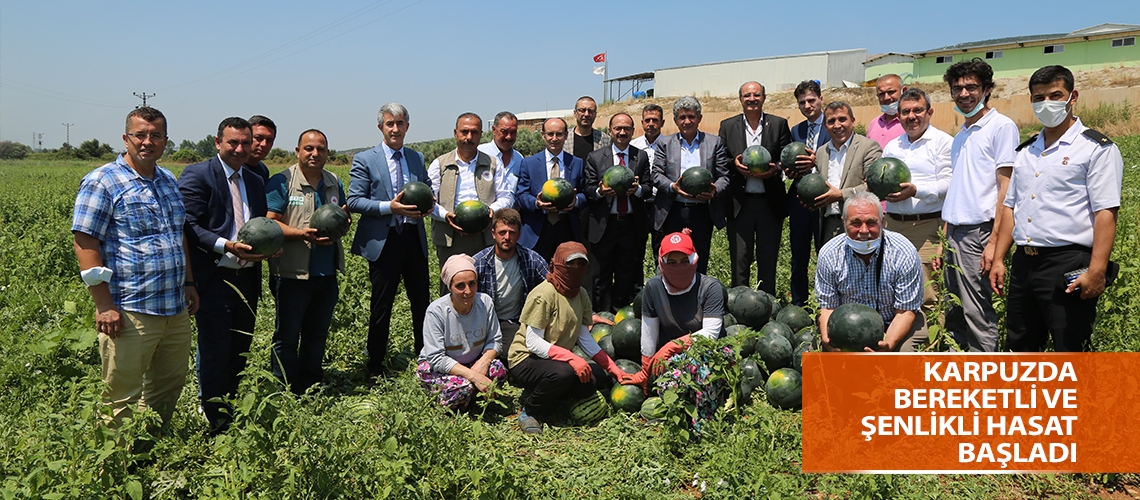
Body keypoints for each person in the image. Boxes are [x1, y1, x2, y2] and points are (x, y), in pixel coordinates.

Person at [71, 107, 198, 427]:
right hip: (129, 309)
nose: (147, 142)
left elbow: (178, 234)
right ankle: (114, 468)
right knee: (120, 394)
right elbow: (86, 243)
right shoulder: (103, 181)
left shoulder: (168, 179)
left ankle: (148, 454)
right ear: (126, 138)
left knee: (168, 387)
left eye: (155, 135)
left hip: (173, 306)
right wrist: (103, 305)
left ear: (165, 141)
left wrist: (189, 283)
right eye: (140, 135)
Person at [989, 65, 1123, 352]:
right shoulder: (1026, 152)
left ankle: (1080, 399)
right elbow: (1011, 208)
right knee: (1021, 346)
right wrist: (1000, 258)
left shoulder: (1095, 149)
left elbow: (1105, 213)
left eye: (1055, 95)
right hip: (1025, 264)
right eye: (1039, 97)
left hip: (1068, 263)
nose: (1046, 103)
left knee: (1070, 347)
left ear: (1072, 96)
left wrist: (1097, 270)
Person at [179, 116, 270, 432]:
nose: (240, 148)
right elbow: (188, 225)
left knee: (240, 348)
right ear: (218, 142)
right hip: (214, 276)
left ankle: (229, 405)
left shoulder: (256, 180)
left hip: (246, 278)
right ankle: (215, 417)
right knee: (215, 348)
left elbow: (257, 226)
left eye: (246, 142)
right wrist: (225, 245)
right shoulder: (198, 175)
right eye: (233, 142)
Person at [507, 242, 630, 434]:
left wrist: (613, 368)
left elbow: (584, 337)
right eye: (570, 264)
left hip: (555, 359)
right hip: (526, 359)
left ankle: (551, 396)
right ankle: (530, 411)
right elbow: (533, 342)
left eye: (581, 264)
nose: (576, 269)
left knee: (595, 377)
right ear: (555, 265)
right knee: (563, 373)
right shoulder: (544, 294)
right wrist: (573, 358)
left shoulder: (580, 294)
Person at [347, 103, 432, 377]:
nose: (395, 129)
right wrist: (389, 207)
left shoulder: (417, 158)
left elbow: (426, 191)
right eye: (389, 124)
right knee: (382, 305)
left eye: (400, 123)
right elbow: (354, 201)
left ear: (407, 126)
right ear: (381, 127)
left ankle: (426, 357)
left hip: (412, 238)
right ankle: (374, 365)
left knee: (421, 302)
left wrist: (428, 205)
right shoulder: (365, 159)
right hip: (385, 242)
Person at [940, 58, 1019, 352]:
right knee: (955, 309)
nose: (963, 94)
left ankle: (984, 377)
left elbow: (1006, 190)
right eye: (957, 88)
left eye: (971, 87)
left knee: (977, 310)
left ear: (986, 89)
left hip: (979, 233)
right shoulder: (961, 135)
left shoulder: (1001, 127)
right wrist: (943, 238)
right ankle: (958, 373)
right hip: (954, 233)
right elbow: (958, 190)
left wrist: (995, 242)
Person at [265, 129, 347, 394]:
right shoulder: (283, 181)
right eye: (309, 148)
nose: (315, 154)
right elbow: (270, 223)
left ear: (327, 152)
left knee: (317, 333)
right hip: (291, 273)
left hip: (326, 274)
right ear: (298, 151)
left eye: (321, 149)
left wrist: (342, 224)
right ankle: (285, 388)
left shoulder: (334, 181)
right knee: (287, 337)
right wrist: (302, 234)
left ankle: (311, 383)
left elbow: (340, 217)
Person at [625, 230, 727, 432]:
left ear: (694, 259)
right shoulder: (653, 287)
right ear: (661, 262)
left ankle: (702, 425)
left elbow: (711, 333)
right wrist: (645, 371)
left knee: (695, 374)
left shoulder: (710, 288)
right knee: (669, 381)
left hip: (708, 352)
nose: (679, 267)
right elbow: (649, 332)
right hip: (671, 357)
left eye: (684, 260)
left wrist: (672, 346)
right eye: (672, 262)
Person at [816, 192, 925, 352]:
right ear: (844, 222)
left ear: (882, 221)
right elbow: (827, 307)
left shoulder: (903, 252)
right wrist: (828, 340)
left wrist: (888, 344)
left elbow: (905, 311)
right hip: (848, 327)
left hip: (893, 320)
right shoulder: (830, 254)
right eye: (856, 223)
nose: (864, 230)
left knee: (904, 358)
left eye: (871, 223)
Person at [881, 88, 952, 322]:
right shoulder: (892, 146)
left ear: (929, 112)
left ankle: (930, 351)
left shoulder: (943, 142)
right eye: (905, 112)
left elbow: (949, 184)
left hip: (927, 228)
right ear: (898, 116)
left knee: (928, 293)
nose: (911, 116)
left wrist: (916, 191)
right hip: (892, 226)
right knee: (893, 289)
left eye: (917, 110)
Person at [718, 81, 791, 292]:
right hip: (740, 203)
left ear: (764, 98)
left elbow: (785, 158)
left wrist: (775, 169)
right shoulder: (727, 125)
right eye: (747, 95)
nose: (752, 99)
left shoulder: (778, 124)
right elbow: (722, 159)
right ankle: (740, 303)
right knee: (740, 259)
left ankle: (767, 304)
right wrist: (736, 165)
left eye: (756, 95)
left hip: (769, 202)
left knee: (768, 258)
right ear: (740, 99)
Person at [428, 112, 511, 285]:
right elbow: (430, 202)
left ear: (481, 134)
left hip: (485, 235)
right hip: (450, 236)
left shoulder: (493, 163)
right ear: (455, 133)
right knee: (453, 286)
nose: (469, 137)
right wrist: (446, 216)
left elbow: (506, 196)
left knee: (485, 284)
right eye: (464, 132)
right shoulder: (439, 164)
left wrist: (491, 211)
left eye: (474, 132)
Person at [650, 96, 730, 273]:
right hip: (673, 210)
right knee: (671, 258)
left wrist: (714, 190)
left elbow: (724, 176)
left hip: (702, 211)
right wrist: (673, 187)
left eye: (691, 117)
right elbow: (656, 174)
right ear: (675, 120)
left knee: (698, 258)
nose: (687, 121)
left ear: (699, 118)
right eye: (682, 117)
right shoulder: (665, 143)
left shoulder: (714, 142)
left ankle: (698, 297)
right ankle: (670, 296)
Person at [418, 254, 506, 411]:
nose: (468, 291)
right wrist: (473, 376)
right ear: (450, 287)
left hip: (474, 361)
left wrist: (484, 361)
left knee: (498, 370)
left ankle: (469, 394)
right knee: (461, 388)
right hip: (442, 368)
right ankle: (466, 395)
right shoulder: (436, 311)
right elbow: (436, 358)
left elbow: (495, 340)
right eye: (460, 286)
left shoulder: (485, 303)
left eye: (472, 283)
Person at [584, 112, 652, 312]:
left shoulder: (640, 156)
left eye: (626, 129)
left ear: (632, 131)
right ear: (610, 131)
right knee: (601, 275)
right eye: (618, 128)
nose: (622, 132)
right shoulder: (595, 158)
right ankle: (602, 315)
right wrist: (600, 191)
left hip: (630, 224)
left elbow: (648, 187)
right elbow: (587, 189)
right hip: (604, 225)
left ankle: (621, 315)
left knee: (626, 274)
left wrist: (637, 190)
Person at [472, 208, 550, 362]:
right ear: (493, 233)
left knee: (515, 354)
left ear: (519, 235)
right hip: (483, 323)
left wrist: (588, 314)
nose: (507, 237)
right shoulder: (478, 262)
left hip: (512, 322)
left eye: (512, 232)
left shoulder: (531, 260)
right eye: (502, 232)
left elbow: (554, 286)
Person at [810, 102, 883, 243]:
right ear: (825, 127)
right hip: (828, 224)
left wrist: (841, 195)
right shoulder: (821, 152)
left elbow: (874, 187)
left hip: (860, 225)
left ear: (853, 121)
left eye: (842, 119)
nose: (837, 125)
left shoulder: (868, 147)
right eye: (831, 121)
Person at [516, 118, 587, 262]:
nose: (554, 139)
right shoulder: (528, 163)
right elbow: (521, 194)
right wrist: (537, 203)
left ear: (566, 135)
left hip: (566, 227)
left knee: (565, 274)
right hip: (538, 229)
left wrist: (576, 201)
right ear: (543, 135)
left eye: (559, 134)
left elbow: (585, 193)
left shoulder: (577, 163)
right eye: (550, 134)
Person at [787, 80, 830, 307]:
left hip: (826, 198)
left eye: (811, 100)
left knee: (826, 253)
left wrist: (818, 161)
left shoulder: (833, 125)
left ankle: (825, 304)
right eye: (802, 102)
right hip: (800, 201)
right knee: (799, 255)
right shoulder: (797, 130)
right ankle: (799, 304)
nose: (807, 105)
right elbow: (791, 161)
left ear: (821, 99)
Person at [478, 111, 523, 194]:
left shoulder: (519, 158)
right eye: (504, 131)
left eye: (513, 132)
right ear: (494, 130)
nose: (509, 137)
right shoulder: (480, 153)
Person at [867, 75, 906, 149]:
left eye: (891, 92)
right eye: (881, 94)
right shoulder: (874, 123)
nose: (886, 97)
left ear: (904, 91)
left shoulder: (912, 123)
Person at [245, 115, 277, 183]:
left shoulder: (263, 170)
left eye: (269, 140)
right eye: (258, 138)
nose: (264, 144)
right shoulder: (233, 169)